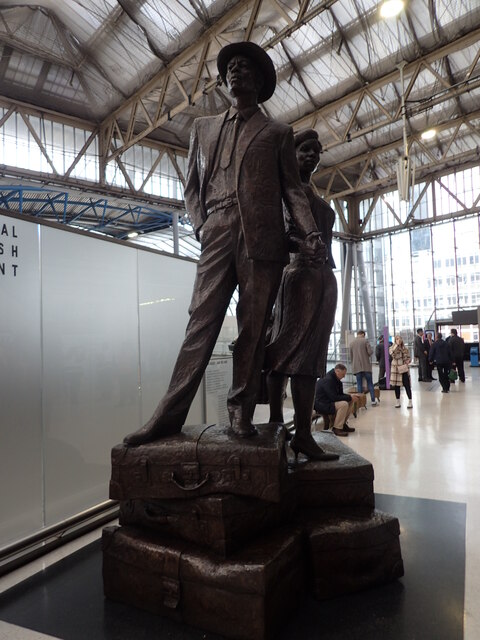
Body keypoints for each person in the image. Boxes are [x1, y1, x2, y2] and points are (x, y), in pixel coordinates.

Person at [124, 42, 324, 446]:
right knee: (200, 322)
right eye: (230, 67)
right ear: (222, 79)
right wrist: (202, 226)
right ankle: (169, 413)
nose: (236, 71)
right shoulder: (203, 128)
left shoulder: (278, 133)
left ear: (260, 81)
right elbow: (192, 188)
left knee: (252, 331)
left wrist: (310, 232)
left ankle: (240, 411)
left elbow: (294, 192)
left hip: (262, 240)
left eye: (245, 67)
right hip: (217, 229)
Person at [265, 128, 338, 462]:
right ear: (291, 155)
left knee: (310, 358)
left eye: (317, 151)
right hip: (297, 276)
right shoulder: (284, 192)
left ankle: (303, 433)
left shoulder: (312, 194)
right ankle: (277, 424)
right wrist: (302, 247)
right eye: (305, 149)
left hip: (323, 278)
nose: (312, 155)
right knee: (284, 352)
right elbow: (277, 236)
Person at [314, 364, 363, 438]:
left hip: (328, 402)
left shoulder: (337, 380)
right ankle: (337, 428)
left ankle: (342, 424)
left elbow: (340, 395)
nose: (344, 376)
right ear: (337, 371)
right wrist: (349, 396)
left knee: (350, 401)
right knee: (344, 404)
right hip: (321, 404)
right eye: (343, 374)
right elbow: (334, 397)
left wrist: (351, 397)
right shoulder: (328, 380)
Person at [349, 330, 378, 406]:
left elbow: (351, 356)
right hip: (366, 366)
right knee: (370, 383)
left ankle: (360, 403)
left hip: (357, 367)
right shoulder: (365, 341)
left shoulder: (351, 343)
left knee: (359, 384)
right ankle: (373, 400)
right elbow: (370, 352)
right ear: (363, 334)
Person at [389, 335, 413, 408]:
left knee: (407, 385)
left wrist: (408, 361)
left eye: (400, 338)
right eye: (397, 339)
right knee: (396, 386)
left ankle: (410, 401)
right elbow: (392, 353)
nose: (399, 340)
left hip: (403, 368)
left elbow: (409, 357)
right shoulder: (392, 347)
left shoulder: (405, 349)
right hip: (396, 369)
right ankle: (397, 401)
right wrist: (396, 345)